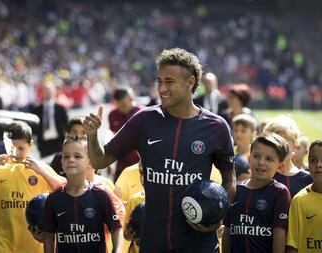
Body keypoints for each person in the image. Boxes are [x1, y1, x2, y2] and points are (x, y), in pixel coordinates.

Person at [84, 48, 236, 252]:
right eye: (159, 81)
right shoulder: (143, 120)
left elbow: (230, 180)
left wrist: (217, 217)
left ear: (190, 82)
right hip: (154, 242)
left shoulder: (216, 127)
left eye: (169, 82)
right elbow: (99, 161)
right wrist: (92, 135)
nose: (162, 88)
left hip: (199, 245)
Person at [0, 120, 65, 253]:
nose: (15, 153)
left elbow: (64, 191)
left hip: (33, 246)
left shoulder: (39, 167)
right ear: (4, 143)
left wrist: (42, 172)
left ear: (30, 144)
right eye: (11, 148)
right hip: (2, 246)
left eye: (21, 148)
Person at [40, 135, 123, 253]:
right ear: (62, 162)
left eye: (77, 156)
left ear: (89, 162)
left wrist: (117, 250)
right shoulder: (54, 199)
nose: (71, 160)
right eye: (66, 156)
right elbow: (48, 235)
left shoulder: (101, 195)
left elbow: (116, 228)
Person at [222, 133, 291, 253]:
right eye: (256, 156)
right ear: (249, 159)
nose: (261, 162)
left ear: (280, 167)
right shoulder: (235, 189)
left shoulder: (280, 192)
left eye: (269, 159)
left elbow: (279, 234)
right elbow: (227, 230)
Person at [263, 115, 313, 198]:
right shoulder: (263, 176)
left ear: (295, 145)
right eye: (273, 143)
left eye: (284, 142)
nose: (278, 147)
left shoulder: (307, 179)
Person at [108, 86, 142, 181]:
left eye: (124, 105)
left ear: (131, 99)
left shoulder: (143, 113)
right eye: (118, 105)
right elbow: (112, 138)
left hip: (140, 165)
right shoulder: (113, 115)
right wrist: (110, 162)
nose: (121, 108)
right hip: (122, 165)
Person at [32, 82, 69, 158]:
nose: (47, 92)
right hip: (43, 143)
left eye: (49, 90)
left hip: (58, 142)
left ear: (54, 92)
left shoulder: (60, 108)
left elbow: (66, 125)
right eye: (45, 90)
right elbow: (34, 127)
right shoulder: (37, 110)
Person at [232, 113, 257, 181]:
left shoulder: (256, 154)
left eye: (243, 131)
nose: (238, 134)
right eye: (236, 130)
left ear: (253, 134)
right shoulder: (229, 152)